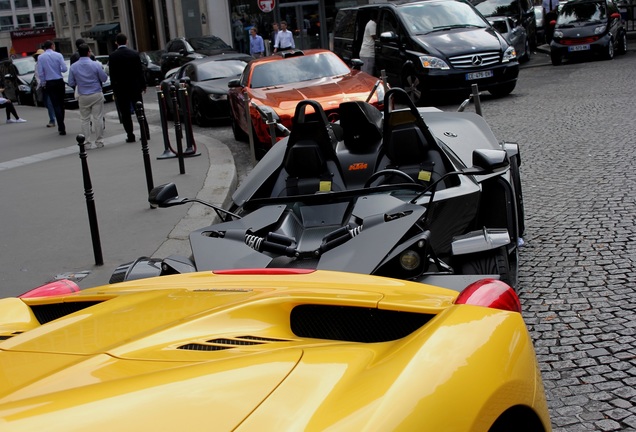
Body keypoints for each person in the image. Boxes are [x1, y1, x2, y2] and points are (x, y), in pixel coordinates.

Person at [108, 33, 147, 143]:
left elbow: (112, 75)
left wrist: (114, 90)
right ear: (127, 41)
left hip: (121, 89)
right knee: (140, 110)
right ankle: (145, 133)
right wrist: (143, 85)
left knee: (125, 113)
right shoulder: (134, 54)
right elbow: (140, 71)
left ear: (116, 43)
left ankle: (130, 135)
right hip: (135, 87)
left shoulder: (113, 56)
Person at [69, 44, 108, 150]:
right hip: (96, 92)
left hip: (83, 94)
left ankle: (86, 142)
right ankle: (99, 141)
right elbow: (104, 78)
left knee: (84, 119)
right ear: (88, 52)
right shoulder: (95, 65)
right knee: (98, 117)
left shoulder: (73, 66)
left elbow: (71, 82)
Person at [36, 40, 67, 135]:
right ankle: (61, 121)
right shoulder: (58, 55)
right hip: (59, 80)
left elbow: (40, 72)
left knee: (55, 104)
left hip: (49, 82)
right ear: (52, 46)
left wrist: (43, 83)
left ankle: (61, 126)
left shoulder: (41, 57)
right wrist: (58, 69)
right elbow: (65, 69)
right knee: (61, 103)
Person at [33, 48, 56, 128]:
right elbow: (37, 76)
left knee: (49, 103)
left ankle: (52, 119)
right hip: (42, 86)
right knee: (46, 102)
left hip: (48, 84)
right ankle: (54, 115)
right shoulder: (36, 65)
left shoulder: (46, 63)